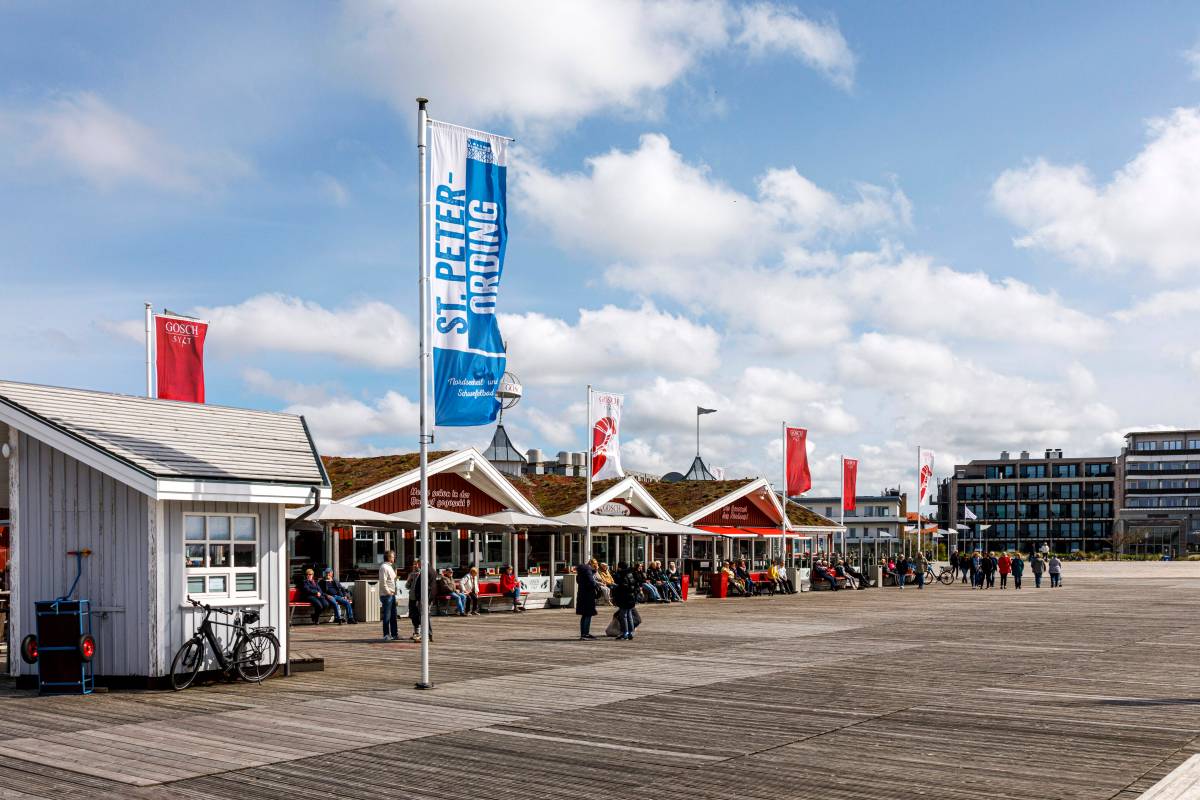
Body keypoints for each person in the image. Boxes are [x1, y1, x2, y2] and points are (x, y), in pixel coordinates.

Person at [406, 560, 434, 641]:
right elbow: (407, 586)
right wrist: (409, 579)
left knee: (421, 615)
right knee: (413, 615)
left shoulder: (423, 574)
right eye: (414, 564)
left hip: (419, 598)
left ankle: (423, 633)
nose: (415, 566)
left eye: (416, 564)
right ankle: (416, 631)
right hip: (412, 597)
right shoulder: (411, 574)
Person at [575, 559, 600, 639]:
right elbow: (591, 582)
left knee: (585, 615)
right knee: (587, 615)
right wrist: (597, 587)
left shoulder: (582, 571)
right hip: (588, 595)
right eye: (595, 564)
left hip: (582, 595)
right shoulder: (588, 571)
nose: (596, 566)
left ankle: (584, 633)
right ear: (592, 564)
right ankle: (585, 634)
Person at [379, 550, 398, 641]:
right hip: (387, 595)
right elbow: (383, 582)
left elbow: (392, 579)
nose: (394, 558)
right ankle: (386, 634)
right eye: (393, 556)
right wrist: (388, 592)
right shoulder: (384, 567)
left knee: (393, 615)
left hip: (392, 594)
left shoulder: (390, 567)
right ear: (389, 557)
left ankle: (394, 634)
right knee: (387, 615)